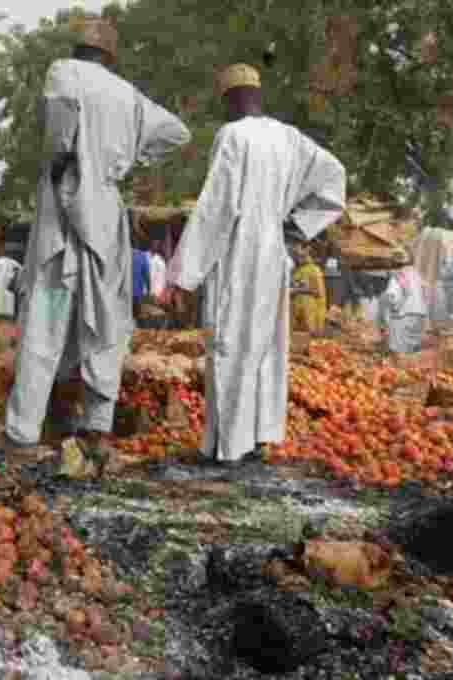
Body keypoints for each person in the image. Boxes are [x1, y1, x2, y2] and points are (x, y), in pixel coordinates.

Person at [3, 16, 190, 468]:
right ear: (110, 55)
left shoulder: (63, 71)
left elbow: (62, 127)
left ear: (77, 48)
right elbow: (177, 133)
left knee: (45, 318)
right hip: (104, 208)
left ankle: (23, 433)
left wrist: (68, 157)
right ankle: (97, 429)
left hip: (63, 201)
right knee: (105, 320)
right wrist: (126, 160)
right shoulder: (128, 95)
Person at [165, 63, 346, 466]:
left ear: (229, 99)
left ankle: (227, 447)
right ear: (257, 95)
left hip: (239, 255)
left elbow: (217, 207)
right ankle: (260, 438)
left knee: (231, 346)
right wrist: (297, 225)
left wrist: (184, 276)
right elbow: (335, 178)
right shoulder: (289, 137)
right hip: (274, 254)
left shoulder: (232, 135)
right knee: (265, 347)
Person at [377, 257, 431, 353]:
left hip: (403, 316)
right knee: (413, 345)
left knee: (399, 349)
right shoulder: (417, 275)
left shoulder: (397, 277)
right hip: (420, 315)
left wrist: (386, 316)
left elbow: (391, 297)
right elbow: (427, 295)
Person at [411, 227, 453, 325]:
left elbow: (413, 252)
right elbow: (451, 259)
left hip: (422, 276)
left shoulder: (421, 235)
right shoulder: (449, 236)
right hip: (439, 278)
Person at [290, 244, 327, 334]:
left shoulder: (314, 270)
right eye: (295, 255)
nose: (298, 258)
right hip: (296, 312)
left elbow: (318, 291)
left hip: (309, 312)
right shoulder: (295, 270)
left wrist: (297, 290)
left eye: (301, 256)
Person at [0, 251, 22, 321]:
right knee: (9, 297)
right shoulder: (13, 261)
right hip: (9, 282)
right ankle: (9, 314)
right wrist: (14, 275)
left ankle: (0, 315)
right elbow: (21, 269)